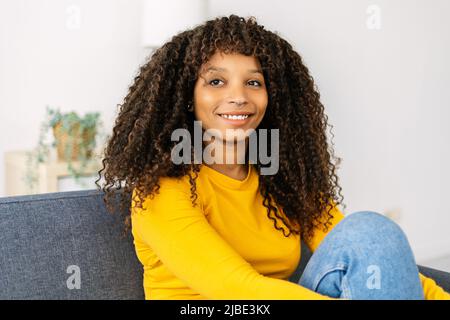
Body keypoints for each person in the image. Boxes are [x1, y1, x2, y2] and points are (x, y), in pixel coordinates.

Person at [97, 14, 450, 300]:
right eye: (216, 82)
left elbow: (372, 251)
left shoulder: (283, 181)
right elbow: (237, 289)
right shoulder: (162, 191)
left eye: (254, 82)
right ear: (187, 97)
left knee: (372, 230)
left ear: (272, 97)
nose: (239, 97)